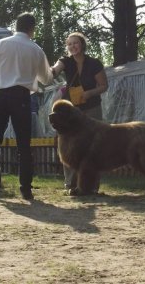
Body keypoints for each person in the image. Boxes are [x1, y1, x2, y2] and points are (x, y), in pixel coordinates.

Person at [0, 13, 53, 200]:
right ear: (32, 29)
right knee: (23, 144)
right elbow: (46, 78)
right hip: (21, 96)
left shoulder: (0, 45)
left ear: (16, 26)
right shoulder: (35, 49)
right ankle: (26, 188)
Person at [51, 32, 108, 191]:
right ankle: (70, 183)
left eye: (75, 43)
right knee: (69, 146)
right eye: (69, 44)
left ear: (82, 44)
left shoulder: (94, 63)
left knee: (93, 146)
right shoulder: (65, 61)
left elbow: (104, 86)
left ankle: (92, 185)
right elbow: (55, 70)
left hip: (92, 108)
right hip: (71, 110)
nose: (72, 46)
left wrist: (89, 93)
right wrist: (49, 71)